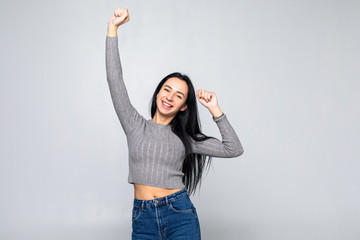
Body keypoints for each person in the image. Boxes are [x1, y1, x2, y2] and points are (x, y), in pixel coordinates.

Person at [106, 8, 244, 240]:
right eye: (166, 90)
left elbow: (234, 149)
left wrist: (215, 109)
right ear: (158, 93)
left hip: (179, 213)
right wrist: (113, 28)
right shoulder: (133, 125)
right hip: (142, 217)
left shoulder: (186, 139)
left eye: (178, 96)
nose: (169, 97)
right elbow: (114, 78)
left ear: (183, 106)